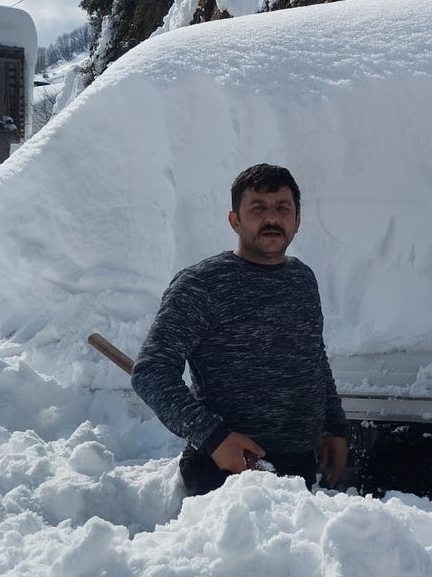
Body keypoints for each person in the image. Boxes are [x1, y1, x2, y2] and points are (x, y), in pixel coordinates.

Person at [131, 163, 348, 496]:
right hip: (223, 476)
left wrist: (334, 427)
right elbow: (151, 372)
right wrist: (214, 437)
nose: (272, 218)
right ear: (235, 220)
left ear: (297, 220)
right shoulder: (201, 285)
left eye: (282, 208)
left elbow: (314, 358)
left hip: (298, 469)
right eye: (258, 208)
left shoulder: (302, 280)